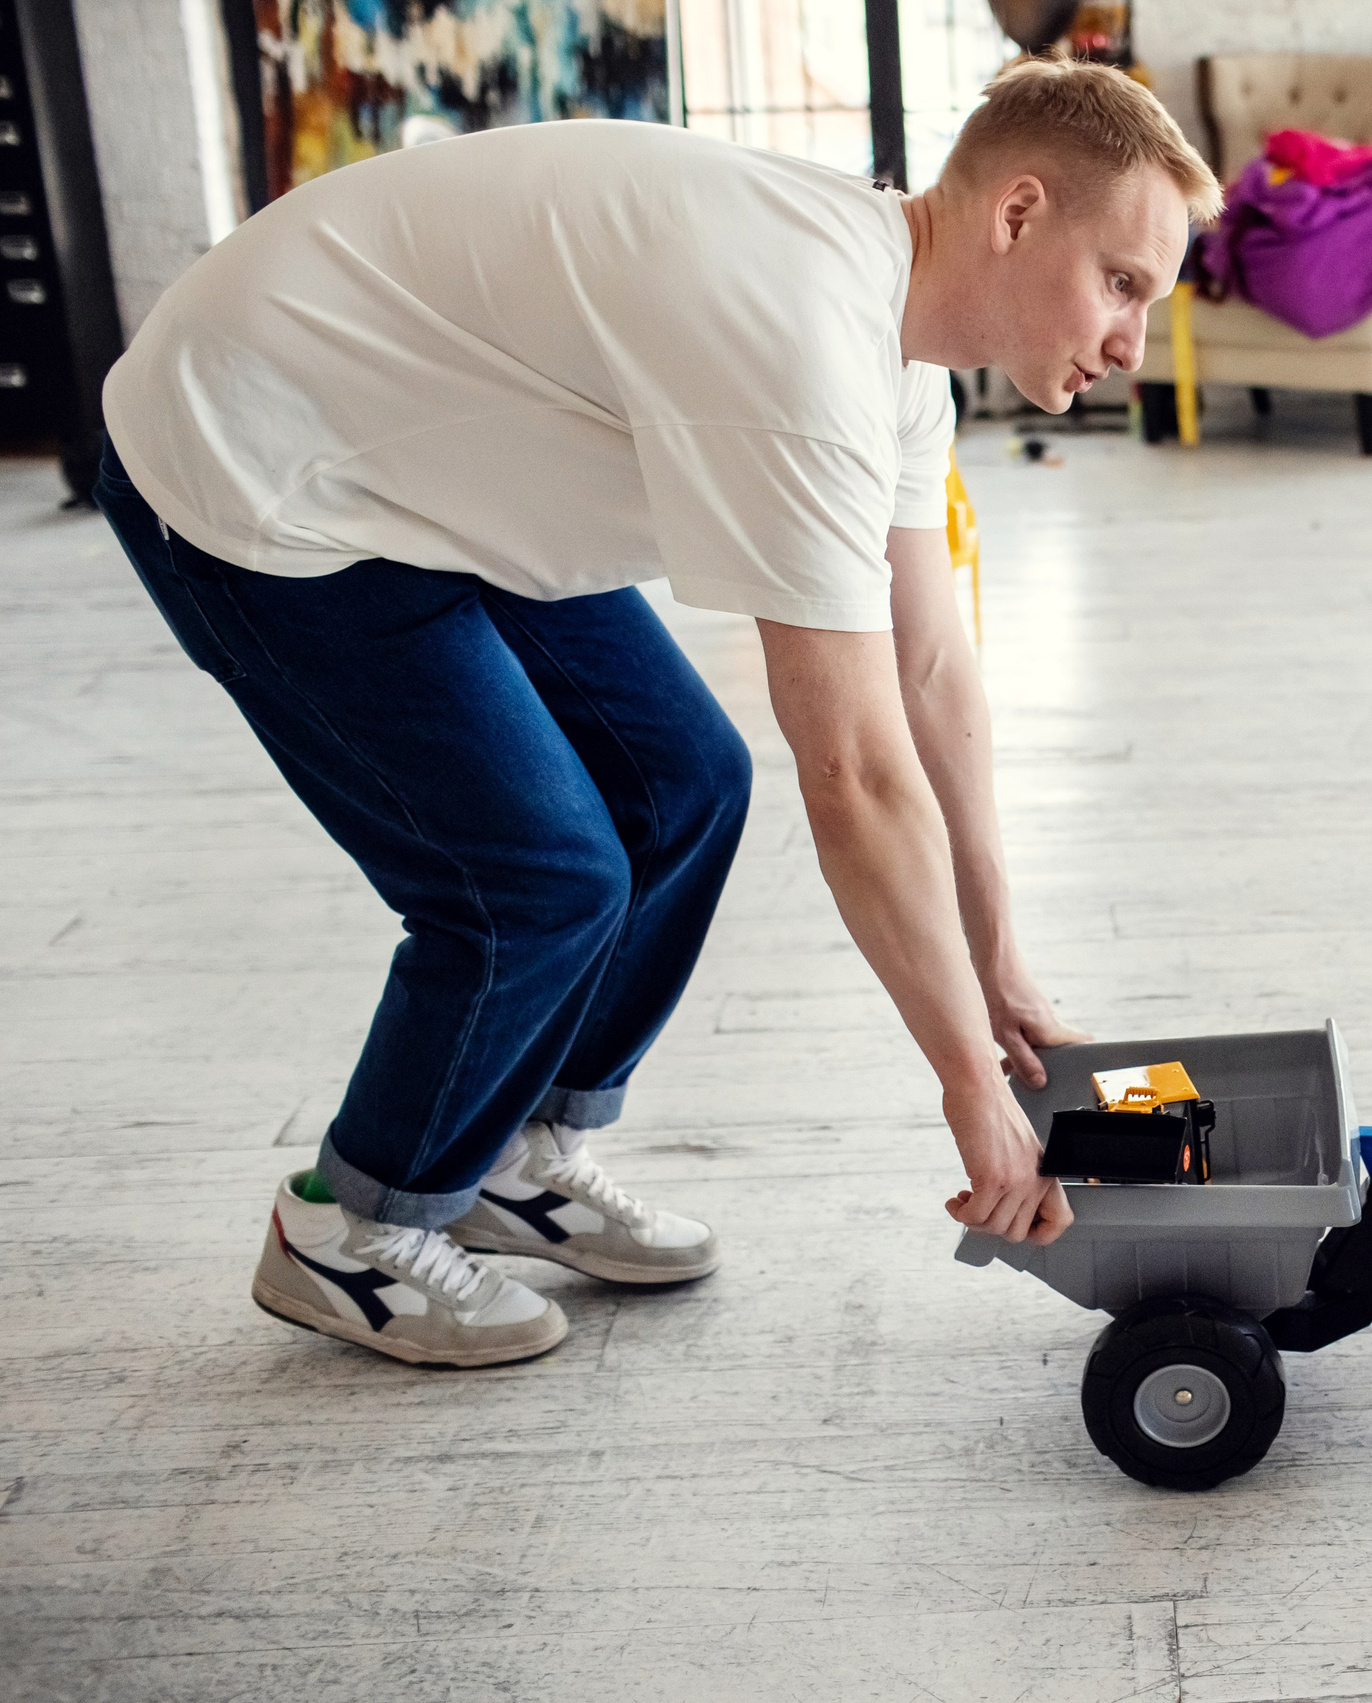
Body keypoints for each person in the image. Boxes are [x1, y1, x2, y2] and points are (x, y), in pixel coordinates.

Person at [91, 59, 1225, 1368]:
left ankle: (515, 1148)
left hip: (426, 460)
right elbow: (854, 766)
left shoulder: (902, 351)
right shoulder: (799, 339)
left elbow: (929, 677)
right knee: (537, 879)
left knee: (686, 784)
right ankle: (351, 1219)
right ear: (1018, 215)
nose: (1136, 339)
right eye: (1124, 283)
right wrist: (972, 1085)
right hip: (257, 461)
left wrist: (1001, 965)